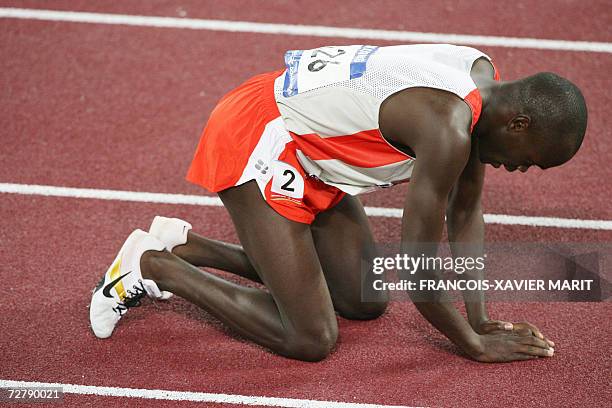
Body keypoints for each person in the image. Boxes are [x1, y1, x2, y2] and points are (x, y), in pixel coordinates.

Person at [89, 44, 587, 363]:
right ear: (518, 125)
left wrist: (480, 318)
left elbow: (465, 211)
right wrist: (473, 345)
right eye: (532, 161)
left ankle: (187, 246)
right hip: (262, 137)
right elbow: (417, 268)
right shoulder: (448, 127)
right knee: (310, 337)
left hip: (316, 155)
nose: (522, 170)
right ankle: (151, 266)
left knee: (365, 299)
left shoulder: (481, 77)